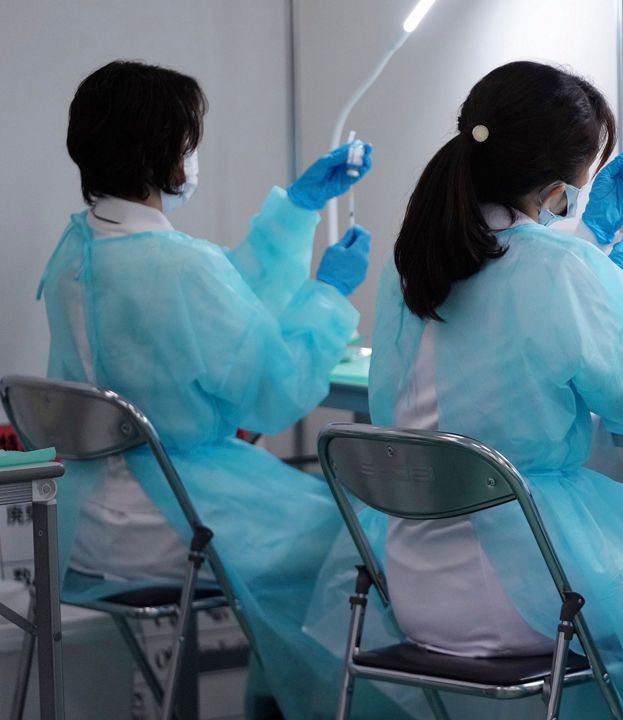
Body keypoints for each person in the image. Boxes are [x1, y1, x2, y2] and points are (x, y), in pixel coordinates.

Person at [363, 60, 623, 719]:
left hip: (413, 580)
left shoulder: (415, 259)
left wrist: (596, 259)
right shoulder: (561, 268)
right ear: (562, 185)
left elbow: (527, 295)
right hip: (523, 588)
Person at [39, 60, 403, 718]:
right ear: (165, 151)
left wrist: (299, 208)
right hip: (169, 513)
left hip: (87, 518)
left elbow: (216, 311)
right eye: (190, 140)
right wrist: (328, 293)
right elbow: (273, 392)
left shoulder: (78, 248)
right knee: (363, 542)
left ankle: (274, 701)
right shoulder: (178, 265)